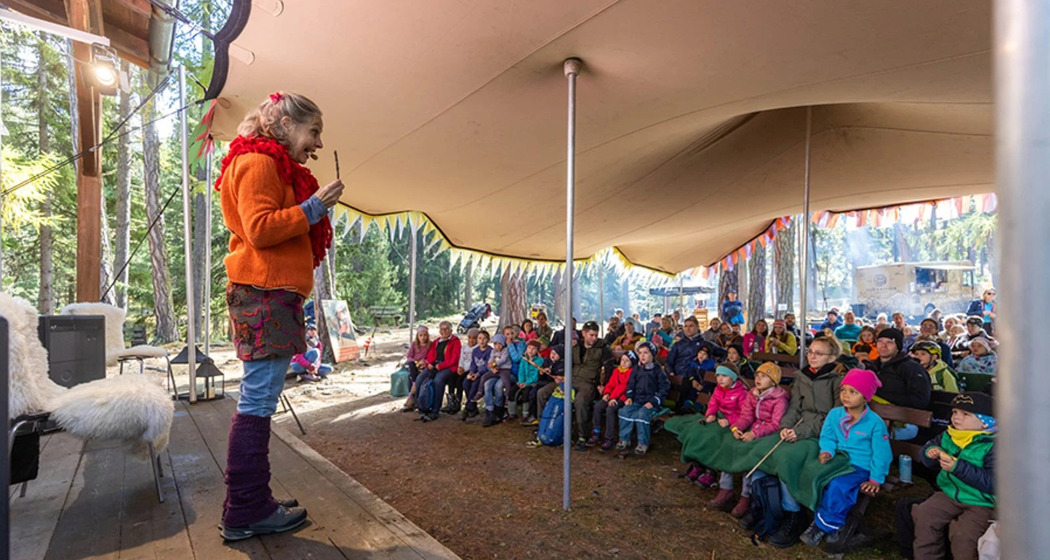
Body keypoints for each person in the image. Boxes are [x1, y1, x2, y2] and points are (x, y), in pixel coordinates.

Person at [217, 91, 344, 540]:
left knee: (258, 399)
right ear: (286, 123)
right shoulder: (259, 163)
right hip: (265, 294)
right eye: (313, 132)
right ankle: (248, 510)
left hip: (269, 294)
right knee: (257, 402)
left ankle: (248, 501)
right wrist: (315, 207)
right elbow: (260, 228)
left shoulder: (264, 162)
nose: (315, 143)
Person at [745, 336, 847, 547]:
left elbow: (833, 418)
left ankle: (794, 514)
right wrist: (785, 427)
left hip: (822, 435)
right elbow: (794, 408)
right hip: (797, 427)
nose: (812, 356)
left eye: (818, 353)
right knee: (762, 448)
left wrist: (800, 433)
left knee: (787, 457)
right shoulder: (802, 376)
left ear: (832, 357)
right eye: (810, 351)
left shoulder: (838, 382)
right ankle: (763, 506)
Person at [800, 369, 891, 547]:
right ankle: (810, 517)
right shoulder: (835, 414)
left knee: (839, 485)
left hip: (860, 467)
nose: (846, 396)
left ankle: (824, 526)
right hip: (838, 460)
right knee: (812, 474)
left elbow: (882, 454)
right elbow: (828, 437)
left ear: (866, 397)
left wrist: (875, 479)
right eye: (843, 390)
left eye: (853, 392)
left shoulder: (875, 423)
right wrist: (827, 451)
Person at [905, 392, 996, 560]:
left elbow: (994, 484)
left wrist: (958, 467)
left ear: (985, 422)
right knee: (924, 514)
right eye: (954, 412)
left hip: (982, 502)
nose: (956, 418)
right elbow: (927, 452)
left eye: (965, 414)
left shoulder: (993, 446)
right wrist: (929, 454)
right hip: (949, 493)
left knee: (964, 536)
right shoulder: (949, 435)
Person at [724, 362, 790, 517]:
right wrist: (737, 427)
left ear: (773, 381)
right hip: (754, 428)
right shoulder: (753, 393)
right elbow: (746, 415)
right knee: (730, 444)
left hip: (768, 434)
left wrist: (755, 433)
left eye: (764, 376)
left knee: (751, 455)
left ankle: (746, 496)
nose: (758, 379)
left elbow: (775, 424)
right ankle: (725, 487)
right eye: (757, 375)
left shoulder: (779, 399)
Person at [703, 363, 752, 506]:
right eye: (718, 375)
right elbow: (713, 403)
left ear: (733, 377)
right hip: (722, 421)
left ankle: (727, 488)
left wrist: (730, 421)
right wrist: (711, 414)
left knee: (726, 445)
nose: (720, 379)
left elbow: (744, 414)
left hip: (737, 425)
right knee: (704, 434)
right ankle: (705, 468)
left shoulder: (741, 393)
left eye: (724, 375)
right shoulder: (718, 389)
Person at [616, 342, 669, 457]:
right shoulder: (637, 369)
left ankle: (642, 443)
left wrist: (654, 401)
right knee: (625, 411)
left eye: (646, 353)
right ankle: (624, 439)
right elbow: (631, 384)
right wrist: (629, 397)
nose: (642, 356)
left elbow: (663, 389)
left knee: (642, 415)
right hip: (637, 400)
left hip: (651, 402)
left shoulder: (658, 371)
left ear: (652, 355)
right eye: (640, 353)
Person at [865, 327, 932, 411]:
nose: (883, 346)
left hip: (902, 417)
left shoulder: (911, 368)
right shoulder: (871, 366)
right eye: (880, 341)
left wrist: (885, 396)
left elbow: (920, 400)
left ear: (898, 347)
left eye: (889, 342)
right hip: (871, 412)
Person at [415, 321, 463, 422]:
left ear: (451, 330)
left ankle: (435, 411)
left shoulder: (455, 341)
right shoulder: (437, 341)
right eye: (442, 329)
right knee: (420, 378)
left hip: (450, 367)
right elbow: (431, 355)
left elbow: (455, 358)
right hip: (435, 365)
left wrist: (440, 366)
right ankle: (421, 407)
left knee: (438, 380)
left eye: (446, 329)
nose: (444, 331)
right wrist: (428, 363)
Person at [586, 351, 634, 451]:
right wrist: (607, 393)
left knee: (610, 410)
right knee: (598, 406)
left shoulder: (631, 373)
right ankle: (596, 431)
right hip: (611, 396)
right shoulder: (616, 371)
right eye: (622, 360)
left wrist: (613, 398)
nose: (624, 363)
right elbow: (611, 384)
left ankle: (609, 437)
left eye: (627, 361)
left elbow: (625, 387)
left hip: (622, 398)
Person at [459, 330, 492, 421]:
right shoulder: (475, 350)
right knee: (465, 383)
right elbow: (473, 363)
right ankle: (472, 407)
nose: (482, 341)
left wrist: (477, 374)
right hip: (475, 372)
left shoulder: (490, 351)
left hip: (484, 373)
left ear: (488, 340)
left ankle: (468, 407)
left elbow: (487, 366)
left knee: (474, 385)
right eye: (480, 338)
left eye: (484, 339)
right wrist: (471, 372)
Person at [481, 333, 512, 427]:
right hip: (495, 372)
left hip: (504, 372)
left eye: (500, 344)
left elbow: (502, 360)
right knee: (487, 384)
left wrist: (493, 364)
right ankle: (489, 410)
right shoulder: (493, 351)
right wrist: (491, 368)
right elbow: (489, 362)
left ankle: (499, 409)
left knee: (498, 386)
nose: (497, 346)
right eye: (495, 344)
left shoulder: (505, 351)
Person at [677, 344, 718, 414]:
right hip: (695, 383)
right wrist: (693, 380)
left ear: (708, 356)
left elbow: (710, 379)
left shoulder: (711, 365)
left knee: (704, 391)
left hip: (706, 385)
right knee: (691, 390)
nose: (701, 355)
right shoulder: (694, 362)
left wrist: (702, 385)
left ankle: (700, 406)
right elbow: (690, 373)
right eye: (700, 353)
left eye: (704, 354)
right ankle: (689, 404)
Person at [515, 340, 545, 426]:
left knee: (527, 393)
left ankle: (526, 414)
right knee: (512, 391)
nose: (531, 350)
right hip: (523, 381)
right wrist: (521, 381)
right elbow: (521, 371)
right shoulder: (524, 359)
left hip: (532, 382)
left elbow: (536, 375)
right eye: (529, 348)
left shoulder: (539, 361)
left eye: (533, 349)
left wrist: (526, 383)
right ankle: (512, 413)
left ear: (537, 351)